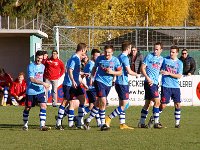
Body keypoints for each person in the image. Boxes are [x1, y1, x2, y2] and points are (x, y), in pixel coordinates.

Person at [105, 41, 139, 130]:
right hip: (123, 83)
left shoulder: (119, 57)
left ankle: (122, 123)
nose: (131, 50)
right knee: (125, 104)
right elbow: (129, 71)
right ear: (128, 49)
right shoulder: (125, 58)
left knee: (121, 104)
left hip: (118, 83)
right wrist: (137, 75)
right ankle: (109, 118)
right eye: (130, 48)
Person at [88, 45, 122, 131]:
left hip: (108, 83)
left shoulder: (115, 60)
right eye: (106, 52)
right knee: (103, 101)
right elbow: (94, 68)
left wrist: (112, 72)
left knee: (99, 103)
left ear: (112, 52)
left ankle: (87, 120)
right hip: (99, 81)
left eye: (109, 52)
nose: (107, 54)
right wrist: (92, 78)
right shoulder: (99, 58)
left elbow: (120, 72)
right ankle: (103, 124)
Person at [149, 46, 183, 128]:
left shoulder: (180, 63)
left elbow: (179, 75)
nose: (171, 53)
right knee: (163, 105)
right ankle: (154, 117)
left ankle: (177, 124)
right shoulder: (164, 60)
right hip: (166, 86)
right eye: (170, 52)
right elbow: (158, 68)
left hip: (175, 87)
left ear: (177, 53)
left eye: (173, 52)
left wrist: (169, 73)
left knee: (178, 104)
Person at [55, 43, 87, 130]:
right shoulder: (74, 58)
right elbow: (70, 70)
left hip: (75, 84)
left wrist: (82, 74)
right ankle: (58, 123)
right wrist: (73, 80)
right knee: (65, 101)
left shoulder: (77, 58)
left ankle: (80, 122)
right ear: (83, 50)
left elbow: (75, 71)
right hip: (69, 84)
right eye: (85, 50)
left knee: (82, 99)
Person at [22, 50, 50, 131]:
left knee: (43, 106)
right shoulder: (31, 66)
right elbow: (32, 79)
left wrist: (46, 85)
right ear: (35, 57)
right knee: (28, 108)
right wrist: (43, 83)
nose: (39, 60)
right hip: (31, 91)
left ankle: (42, 126)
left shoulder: (43, 66)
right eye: (38, 58)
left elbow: (43, 77)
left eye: (41, 59)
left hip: (40, 91)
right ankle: (25, 124)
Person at [138, 42, 164, 129]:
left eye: (157, 49)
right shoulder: (149, 56)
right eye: (154, 49)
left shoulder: (161, 59)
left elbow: (159, 69)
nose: (155, 51)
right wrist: (148, 78)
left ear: (161, 50)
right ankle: (156, 122)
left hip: (155, 83)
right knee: (157, 102)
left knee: (148, 103)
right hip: (149, 83)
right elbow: (142, 68)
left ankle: (141, 123)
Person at [82, 49, 102, 129]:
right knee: (95, 105)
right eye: (96, 56)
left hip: (94, 88)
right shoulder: (91, 64)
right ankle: (78, 117)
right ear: (92, 55)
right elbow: (90, 76)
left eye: (98, 56)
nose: (97, 57)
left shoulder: (94, 64)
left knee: (92, 106)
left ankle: (98, 122)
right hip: (91, 88)